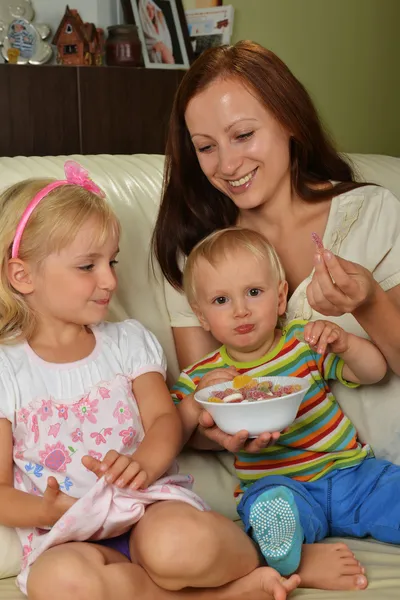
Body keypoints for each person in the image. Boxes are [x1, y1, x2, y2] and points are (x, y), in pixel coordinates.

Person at [152, 40, 400, 590]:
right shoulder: (196, 255)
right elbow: (202, 401)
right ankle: (282, 548)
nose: (229, 165)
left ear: (289, 120)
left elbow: (384, 365)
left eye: (244, 135)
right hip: (277, 481)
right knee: (272, 513)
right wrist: (222, 432)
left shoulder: (370, 211)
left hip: (362, 467)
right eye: (206, 147)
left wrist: (369, 301)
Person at [0, 161, 300, 600]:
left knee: (178, 547)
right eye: (88, 266)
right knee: (57, 583)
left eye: (112, 262)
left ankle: (265, 558)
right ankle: (222, 595)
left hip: (148, 510)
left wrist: (142, 463)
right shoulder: (8, 370)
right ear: (22, 275)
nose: (110, 280)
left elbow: (164, 420)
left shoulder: (127, 343)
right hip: (69, 535)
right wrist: (44, 508)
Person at [172, 226, 391, 581]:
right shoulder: (203, 375)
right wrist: (197, 405)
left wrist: (345, 344)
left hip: (352, 474)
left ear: (279, 297)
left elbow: (375, 372)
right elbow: (170, 433)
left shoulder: (302, 341)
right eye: (221, 301)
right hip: (280, 486)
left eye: (254, 292)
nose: (240, 311)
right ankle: (287, 550)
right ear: (201, 317)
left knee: (392, 490)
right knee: (267, 506)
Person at [139, 0, 175, 64]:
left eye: (152, 9)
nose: (151, 13)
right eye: (147, 9)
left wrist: (161, 47)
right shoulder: (141, 29)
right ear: (142, 10)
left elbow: (167, 45)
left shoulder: (159, 26)